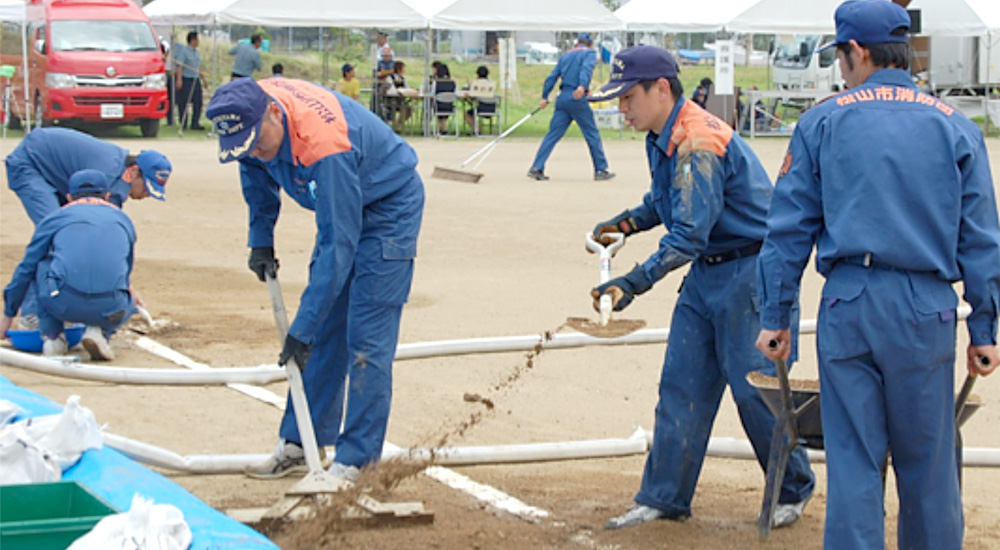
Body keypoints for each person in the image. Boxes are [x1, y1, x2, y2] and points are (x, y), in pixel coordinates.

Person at [755, 2, 1000, 549]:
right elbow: (982, 238)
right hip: (926, 308)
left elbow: (788, 231)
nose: (841, 71)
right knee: (930, 469)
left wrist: (776, 317)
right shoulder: (955, 126)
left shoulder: (821, 120)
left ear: (857, 52)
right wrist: (984, 329)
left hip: (850, 303)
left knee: (856, 466)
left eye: (841, 58)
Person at [586, 45, 815, 530]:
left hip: (750, 275)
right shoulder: (664, 135)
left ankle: (791, 488)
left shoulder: (696, 141)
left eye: (627, 97)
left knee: (758, 391)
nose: (621, 107)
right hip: (709, 273)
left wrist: (634, 281)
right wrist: (626, 224)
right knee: (681, 385)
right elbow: (666, 201)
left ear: (661, 89)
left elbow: (690, 231)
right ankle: (664, 496)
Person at [205, 77, 424, 482]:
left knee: (366, 338)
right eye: (243, 145)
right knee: (323, 329)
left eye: (257, 140)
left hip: (387, 207)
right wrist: (260, 238)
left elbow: (337, 246)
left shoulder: (324, 145)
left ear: (273, 111)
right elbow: (255, 175)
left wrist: (302, 329)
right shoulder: (248, 117)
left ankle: (356, 462)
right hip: (345, 199)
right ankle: (300, 441)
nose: (254, 150)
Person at [4, 127, 170, 327]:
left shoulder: (117, 175)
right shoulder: (109, 180)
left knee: (69, 234)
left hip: (54, 171)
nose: (146, 195)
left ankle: (69, 300)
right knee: (54, 236)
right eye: (146, 187)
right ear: (134, 172)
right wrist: (125, 287)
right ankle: (32, 314)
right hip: (30, 164)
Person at [0, 169, 139, 361]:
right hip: (112, 308)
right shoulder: (124, 220)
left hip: (62, 303)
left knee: (42, 263)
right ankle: (101, 332)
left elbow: (26, 267)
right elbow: (126, 268)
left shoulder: (55, 217)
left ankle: (53, 336)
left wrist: (8, 314)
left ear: (69, 197)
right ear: (107, 196)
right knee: (127, 292)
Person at [527, 33, 614, 182]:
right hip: (577, 97)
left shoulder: (566, 56)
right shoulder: (589, 54)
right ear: (590, 44)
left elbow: (552, 76)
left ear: (577, 43)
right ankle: (600, 169)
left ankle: (536, 166)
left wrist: (544, 96)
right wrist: (582, 86)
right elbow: (585, 70)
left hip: (563, 97)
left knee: (552, 135)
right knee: (591, 133)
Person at [174, 31, 206, 130]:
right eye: (197, 39)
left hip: (195, 79)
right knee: (183, 102)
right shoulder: (184, 51)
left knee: (198, 102)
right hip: (186, 79)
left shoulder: (196, 53)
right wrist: (179, 80)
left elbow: (198, 67)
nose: (198, 42)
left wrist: (204, 80)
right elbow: (179, 65)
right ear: (192, 40)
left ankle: (195, 123)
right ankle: (183, 123)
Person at [464, 65, 496, 132]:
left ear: (478, 74)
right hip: (492, 108)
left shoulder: (476, 84)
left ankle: (476, 129)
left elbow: (472, 96)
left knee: (467, 114)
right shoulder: (491, 84)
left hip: (481, 107)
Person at [431, 63, 456, 134]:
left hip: (438, 106)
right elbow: (456, 94)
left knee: (432, 106)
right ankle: (443, 128)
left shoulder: (436, 82)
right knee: (444, 107)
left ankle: (441, 128)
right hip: (449, 107)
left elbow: (432, 94)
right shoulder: (453, 82)